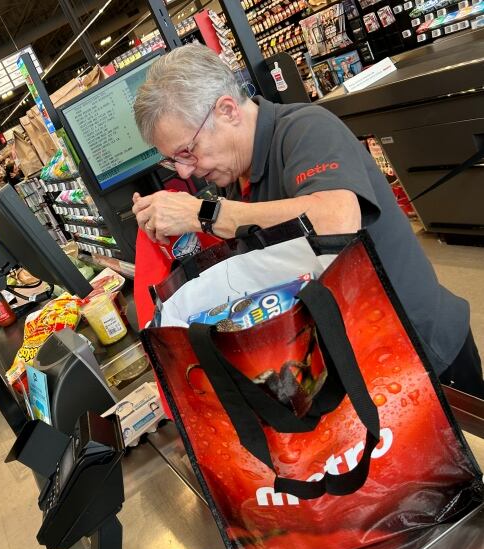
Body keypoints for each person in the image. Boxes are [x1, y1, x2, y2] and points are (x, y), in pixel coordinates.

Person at [131, 44, 484, 399]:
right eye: (172, 161)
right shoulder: (237, 176)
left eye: (187, 152)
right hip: (364, 364)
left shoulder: (305, 130)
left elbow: (335, 219)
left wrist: (203, 214)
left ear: (227, 111)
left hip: (423, 353)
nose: (185, 171)